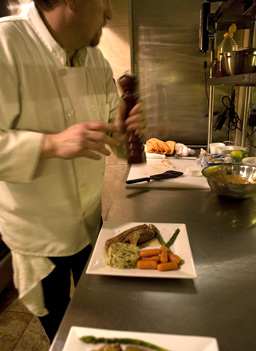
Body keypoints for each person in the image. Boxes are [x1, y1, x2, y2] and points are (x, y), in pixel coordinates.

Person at [0, 0, 146, 343]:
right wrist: (50, 145)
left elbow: (115, 142)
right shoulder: (6, 44)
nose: (109, 12)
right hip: (38, 233)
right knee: (61, 323)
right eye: (105, 1)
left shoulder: (96, 61)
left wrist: (126, 132)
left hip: (89, 220)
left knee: (100, 310)